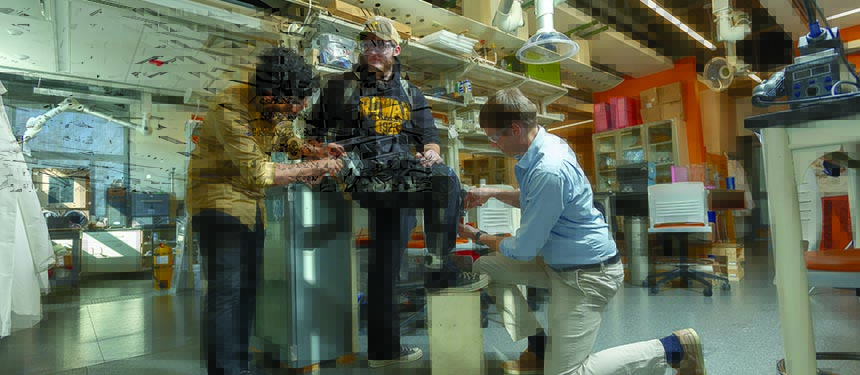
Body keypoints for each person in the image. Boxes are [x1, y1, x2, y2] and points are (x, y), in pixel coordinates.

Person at [458, 88, 707, 375]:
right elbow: (534, 198)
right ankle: (539, 348)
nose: (494, 144)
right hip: (558, 261)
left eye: (494, 137)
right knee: (485, 267)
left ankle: (676, 348)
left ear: (514, 129)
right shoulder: (543, 145)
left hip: (586, 275)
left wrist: (477, 235)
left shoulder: (549, 168)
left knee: (568, 373)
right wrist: (492, 192)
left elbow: (523, 249)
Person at [306, 16, 489, 368]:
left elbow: (429, 138)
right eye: (367, 44)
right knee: (438, 192)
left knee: (391, 257)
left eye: (381, 44)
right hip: (362, 176)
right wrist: (323, 153)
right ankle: (440, 274)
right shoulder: (339, 86)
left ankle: (385, 348)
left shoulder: (410, 92)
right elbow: (312, 132)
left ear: (396, 49)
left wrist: (431, 153)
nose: (373, 50)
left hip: (400, 180)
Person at [186, 46, 343, 375]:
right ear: (272, 94)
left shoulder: (274, 111)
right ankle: (225, 371)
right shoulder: (231, 107)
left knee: (247, 289)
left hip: (251, 206)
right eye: (296, 101)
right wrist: (315, 168)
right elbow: (258, 172)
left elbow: (287, 140)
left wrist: (314, 151)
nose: (300, 107)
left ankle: (240, 366)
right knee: (227, 292)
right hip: (218, 203)